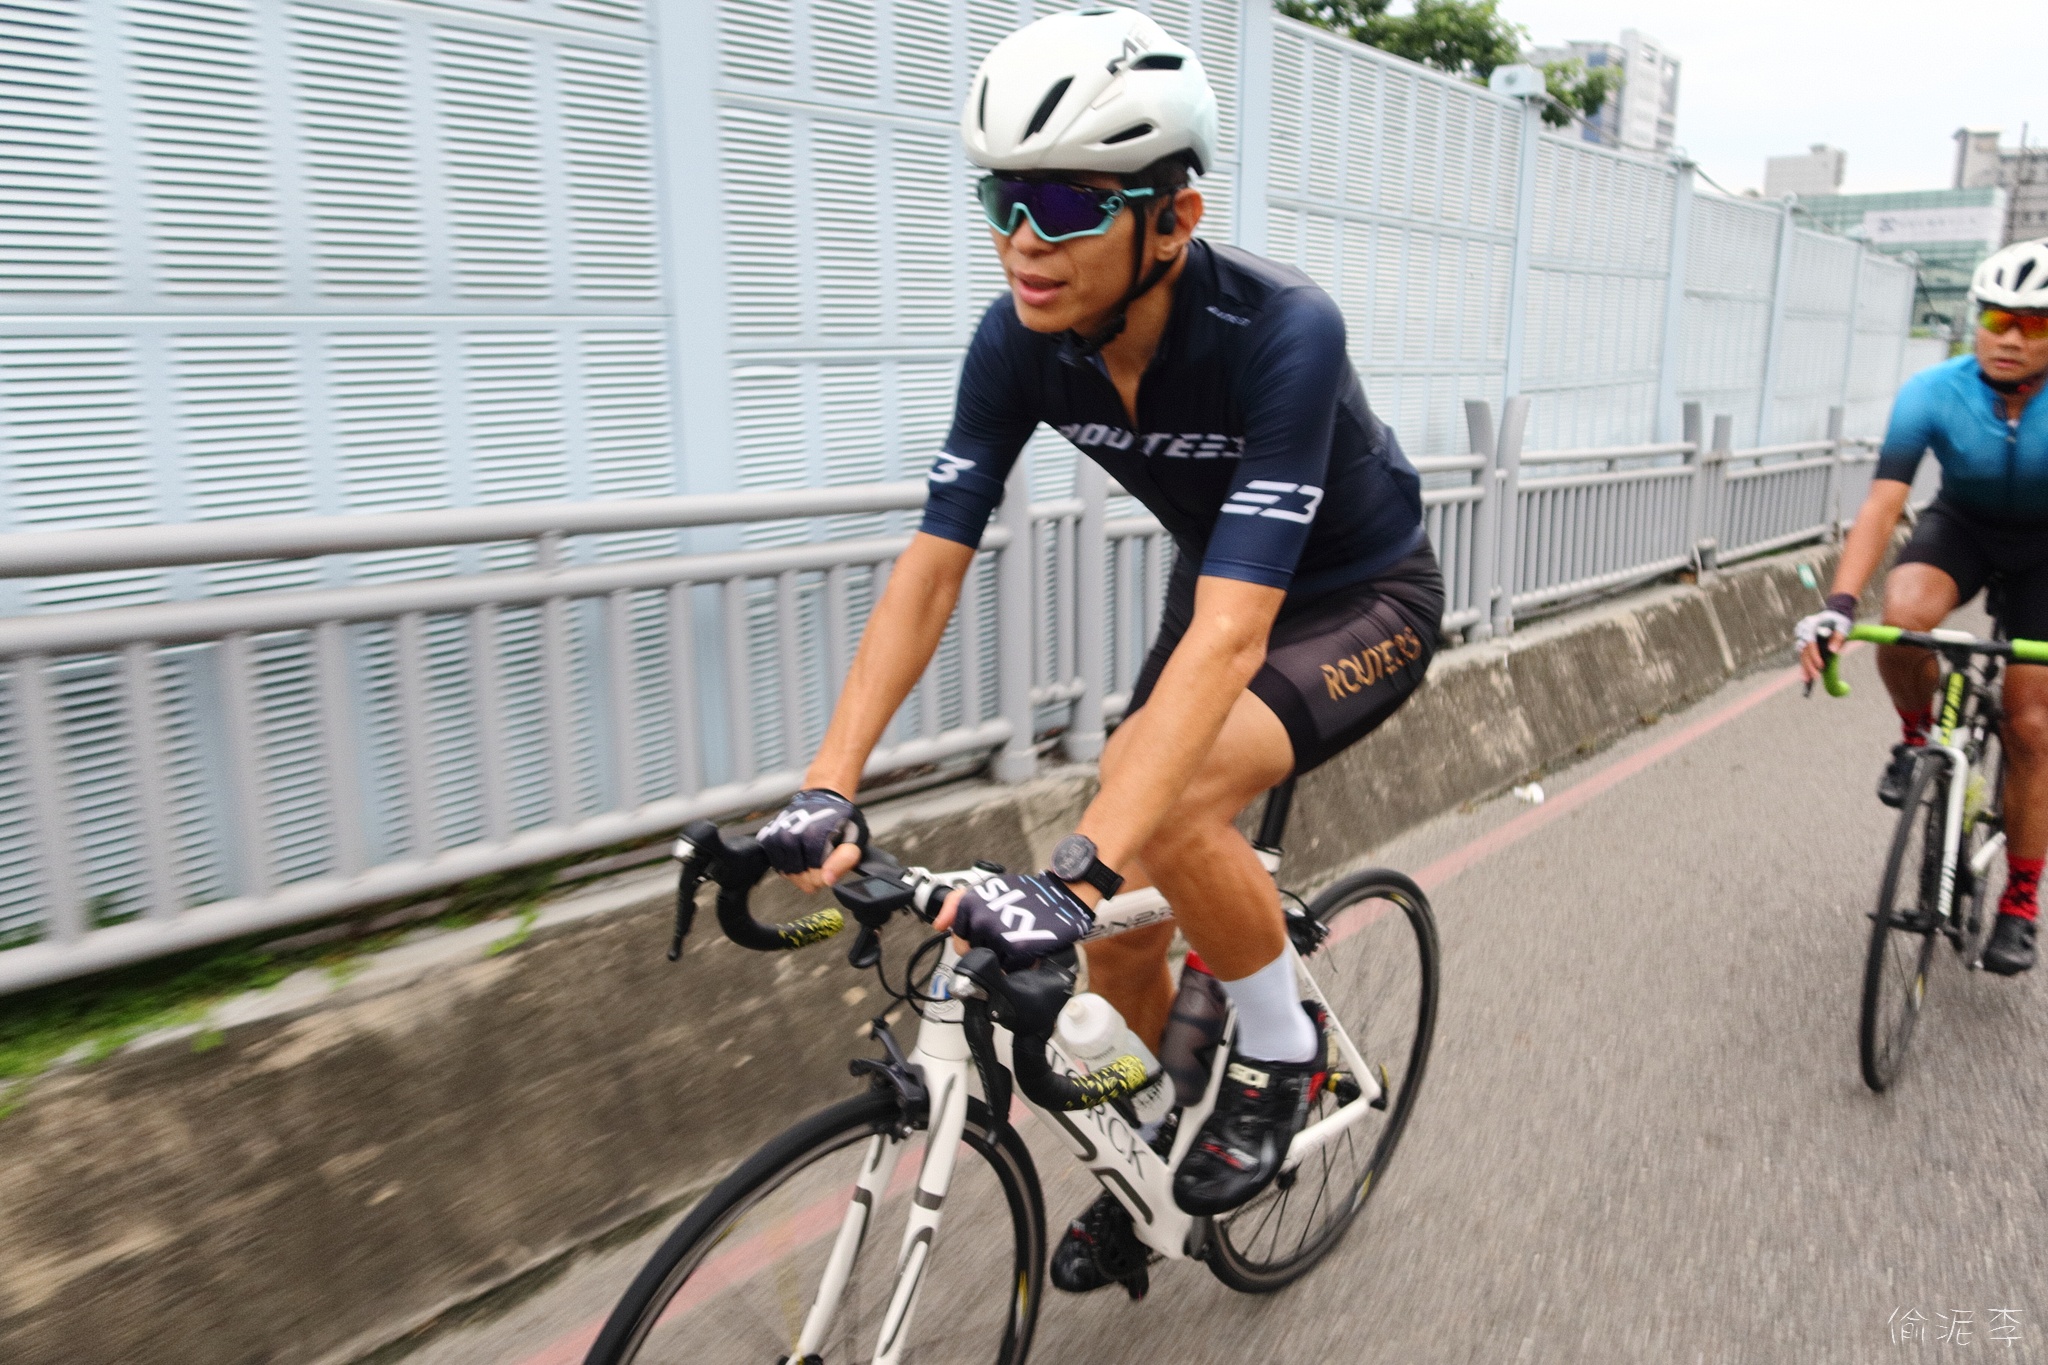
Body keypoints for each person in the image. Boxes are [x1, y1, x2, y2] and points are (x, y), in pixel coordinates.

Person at [754, 6, 1441, 1291]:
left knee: (1154, 810)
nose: (1023, 240)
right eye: (1001, 199)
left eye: (1067, 204)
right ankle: (1148, 1155)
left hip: (1358, 599)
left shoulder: (1282, 328)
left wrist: (1068, 875)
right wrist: (827, 784)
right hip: (1216, 587)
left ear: (1171, 220)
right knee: (1118, 932)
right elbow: (933, 562)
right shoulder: (1017, 341)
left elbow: (1237, 633)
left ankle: (1279, 1047)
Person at [1797, 237, 2048, 975]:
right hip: (1964, 526)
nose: (2009, 338)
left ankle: (2020, 902)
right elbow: (1884, 504)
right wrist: (1840, 604)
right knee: (1902, 618)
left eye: (2032, 324)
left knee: (2032, 725)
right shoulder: (1933, 391)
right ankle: (1916, 739)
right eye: (1996, 318)